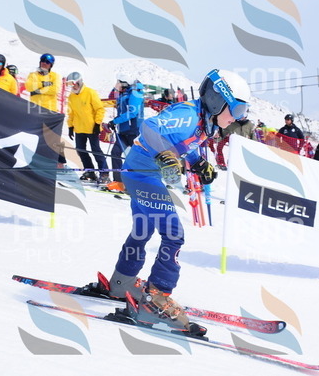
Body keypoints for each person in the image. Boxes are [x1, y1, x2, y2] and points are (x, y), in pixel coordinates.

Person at [91, 69, 251, 336]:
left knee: (142, 230)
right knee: (174, 234)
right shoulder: (188, 115)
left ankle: (122, 282)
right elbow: (150, 127)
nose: (238, 117)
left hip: (141, 173)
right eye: (236, 109)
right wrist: (165, 153)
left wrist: (197, 163)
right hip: (143, 174)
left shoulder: (204, 121)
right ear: (217, 101)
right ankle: (156, 300)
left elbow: (182, 144)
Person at [65, 72, 109, 182]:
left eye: (73, 84)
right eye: (69, 84)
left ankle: (104, 174)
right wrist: (70, 127)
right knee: (81, 151)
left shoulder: (90, 92)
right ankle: (90, 171)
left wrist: (97, 123)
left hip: (92, 128)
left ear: (79, 82)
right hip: (79, 129)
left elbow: (100, 109)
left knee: (96, 151)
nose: (72, 87)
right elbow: (71, 113)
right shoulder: (71, 97)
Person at [106, 74, 145, 192]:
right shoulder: (123, 94)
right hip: (123, 131)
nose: (117, 85)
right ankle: (118, 182)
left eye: (119, 82)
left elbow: (132, 113)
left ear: (125, 83)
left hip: (133, 131)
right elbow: (110, 98)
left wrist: (115, 121)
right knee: (115, 153)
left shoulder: (135, 93)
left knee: (134, 158)